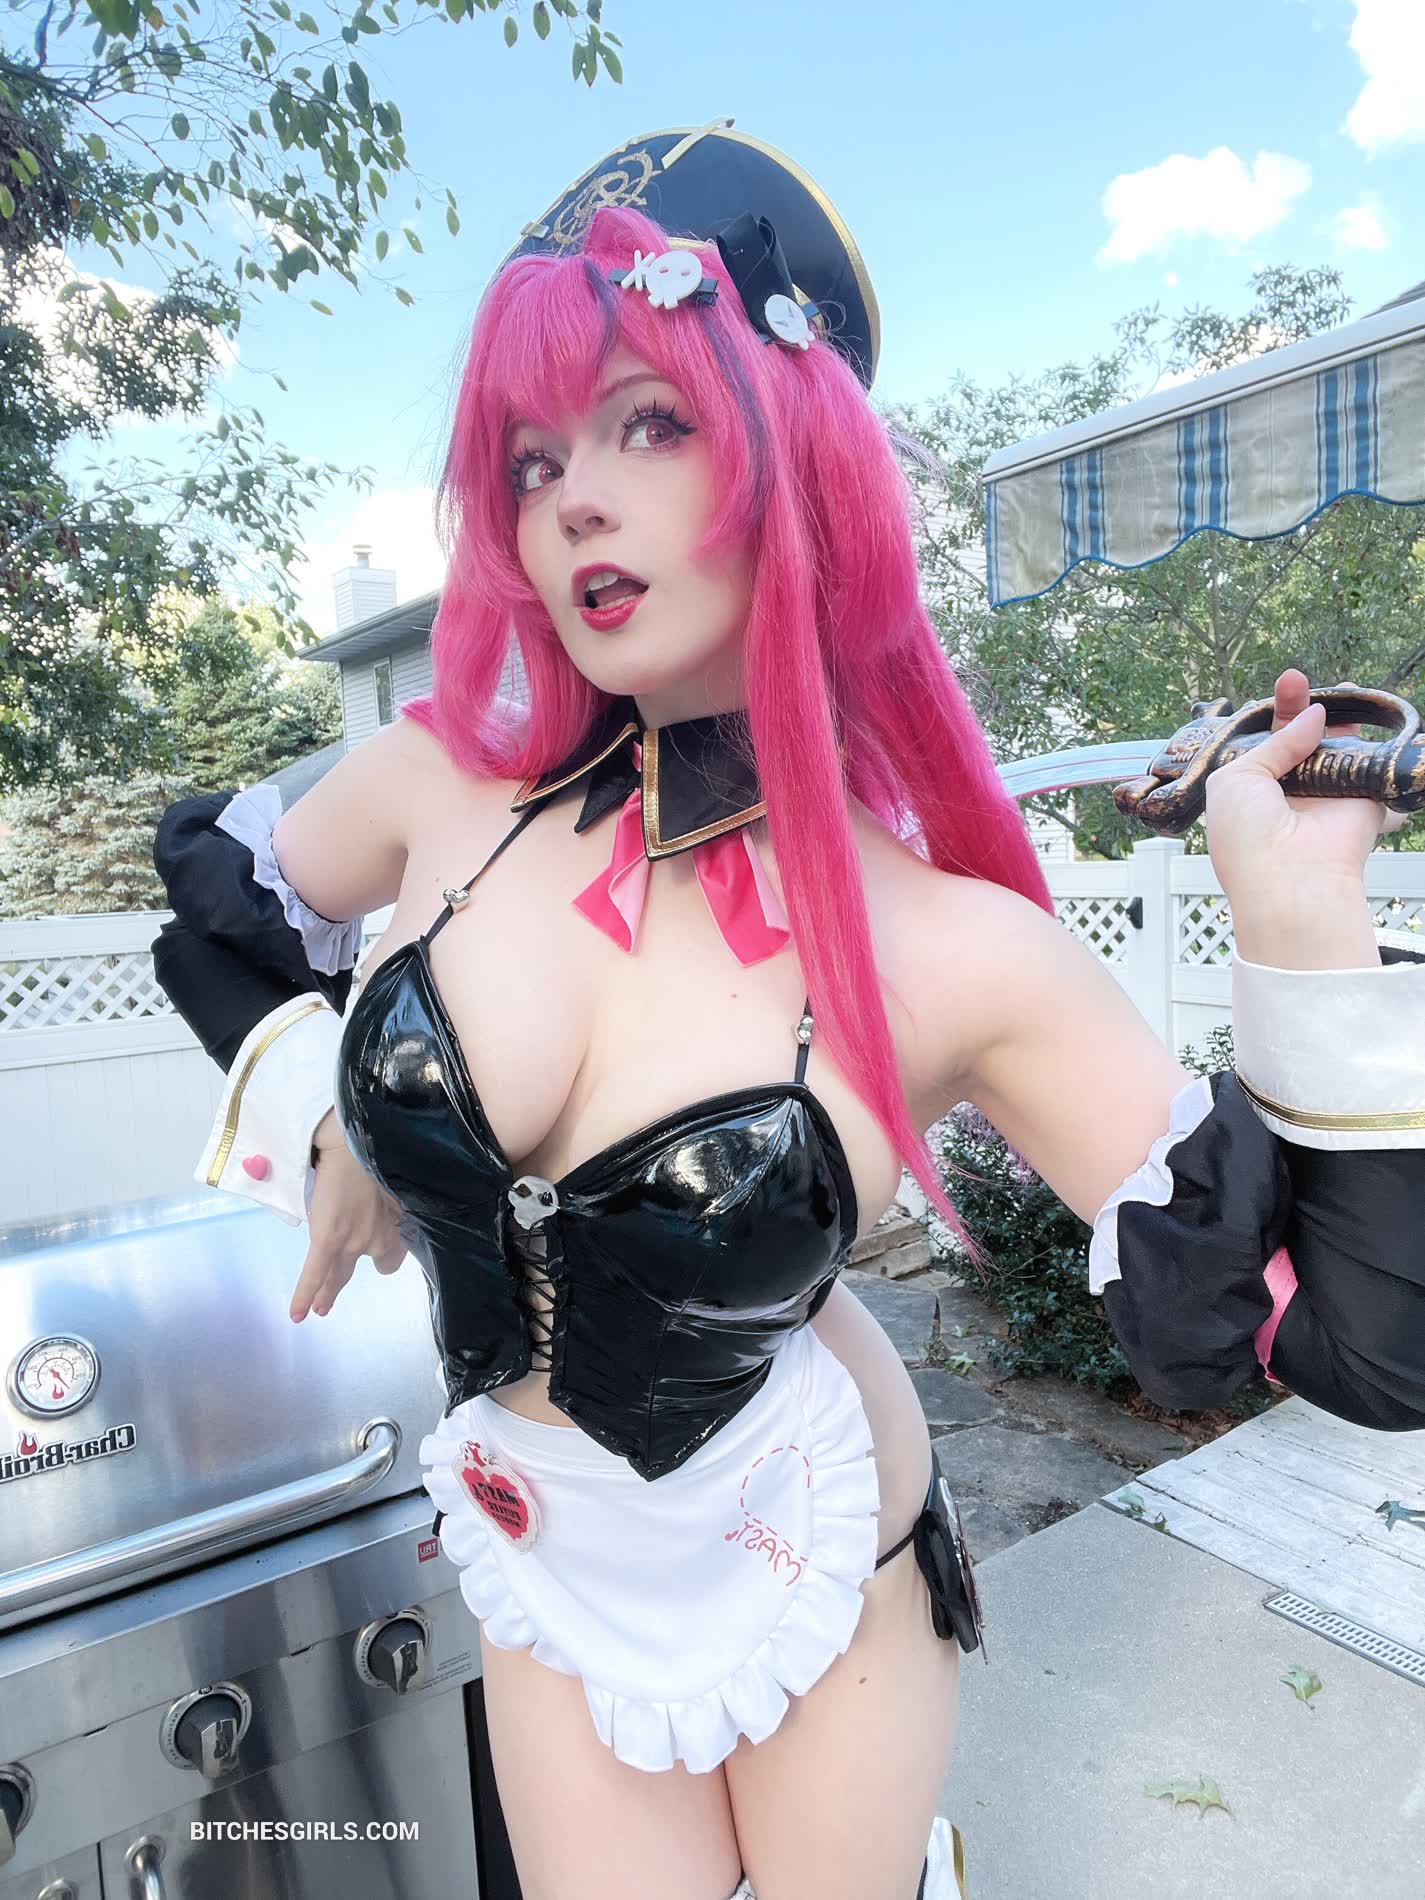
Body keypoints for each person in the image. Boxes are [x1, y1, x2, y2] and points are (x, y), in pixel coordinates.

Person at [151, 124, 1424, 1900]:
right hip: (534, 1544)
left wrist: (1297, 917)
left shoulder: (953, 951)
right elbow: (216, 921)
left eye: (650, 424)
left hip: (811, 1549)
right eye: (533, 456)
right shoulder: (436, 785)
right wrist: (334, 1107)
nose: (572, 500)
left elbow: (1361, 1350)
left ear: (796, 467)